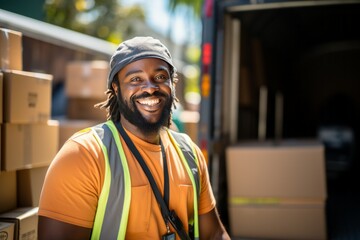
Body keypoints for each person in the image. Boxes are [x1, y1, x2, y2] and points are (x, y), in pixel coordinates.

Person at [38, 36, 230, 240]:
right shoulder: (83, 155)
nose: (150, 87)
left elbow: (215, 234)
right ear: (116, 87)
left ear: (172, 84)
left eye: (160, 77)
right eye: (135, 79)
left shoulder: (189, 153)